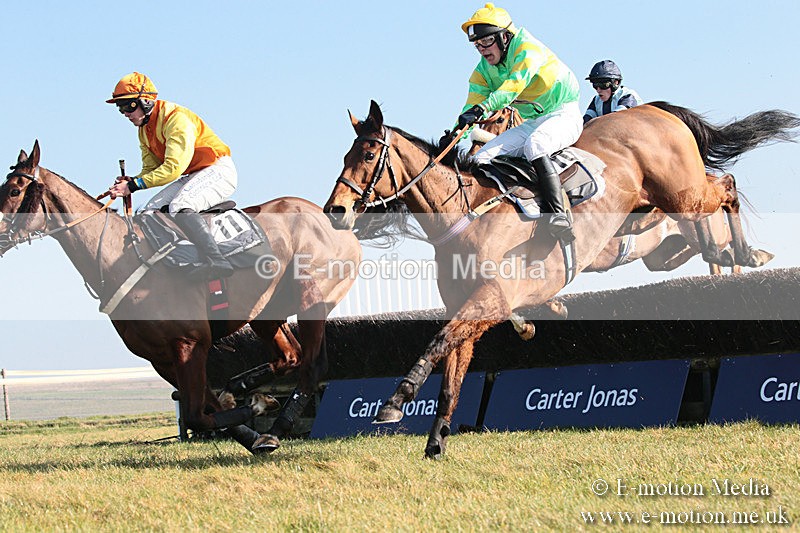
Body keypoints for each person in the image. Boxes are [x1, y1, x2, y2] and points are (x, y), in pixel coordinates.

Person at [452, 3, 582, 241]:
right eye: (477, 45)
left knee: (536, 145)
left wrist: (483, 108)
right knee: (480, 158)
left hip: (564, 113)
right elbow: (472, 104)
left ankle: (559, 215)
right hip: (533, 122)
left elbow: (514, 85)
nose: (482, 50)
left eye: (486, 41)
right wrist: (456, 132)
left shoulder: (527, 48)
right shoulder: (483, 70)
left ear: (505, 37)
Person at [106, 72, 236, 280]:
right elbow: (151, 168)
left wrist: (132, 187)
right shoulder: (144, 130)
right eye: (120, 108)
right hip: (194, 174)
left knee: (180, 205)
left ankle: (217, 260)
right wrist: (133, 180)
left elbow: (173, 168)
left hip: (217, 169)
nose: (125, 113)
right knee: (148, 212)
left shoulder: (176, 119)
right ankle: (183, 259)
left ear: (146, 101)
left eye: (128, 106)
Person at [583, 60, 643, 124]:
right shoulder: (596, 100)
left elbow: (615, 120)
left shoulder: (628, 96)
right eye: (595, 85)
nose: (598, 90)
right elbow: (586, 121)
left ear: (615, 83)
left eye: (603, 85)